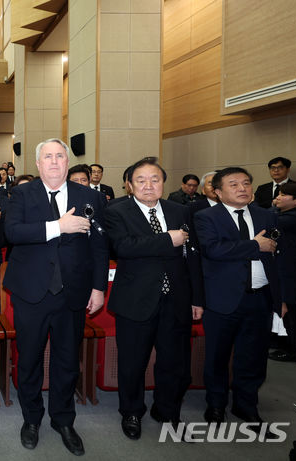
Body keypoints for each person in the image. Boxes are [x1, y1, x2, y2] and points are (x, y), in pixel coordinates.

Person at [3, 138, 108, 456]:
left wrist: (99, 287)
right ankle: (31, 418)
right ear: (37, 164)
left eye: (59, 156)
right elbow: (12, 232)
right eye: (47, 156)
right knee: (30, 359)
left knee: (66, 361)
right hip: (31, 292)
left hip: (72, 293)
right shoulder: (21, 193)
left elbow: (99, 245)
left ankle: (63, 420)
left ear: (67, 161)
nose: (53, 161)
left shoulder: (90, 196)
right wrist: (57, 226)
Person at [104, 157, 204, 440]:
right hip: (135, 300)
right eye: (141, 180)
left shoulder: (180, 210)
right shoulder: (116, 210)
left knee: (174, 362)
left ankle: (167, 410)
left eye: (155, 179)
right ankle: (132, 412)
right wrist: (166, 241)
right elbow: (124, 247)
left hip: (177, 299)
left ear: (163, 182)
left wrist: (197, 298)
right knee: (132, 362)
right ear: (129, 185)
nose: (148, 186)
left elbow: (191, 257)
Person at [194, 167, 281, 438]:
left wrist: (282, 298)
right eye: (234, 184)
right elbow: (214, 250)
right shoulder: (206, 217)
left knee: (253, 358)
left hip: (260, 298)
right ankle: (216, 404)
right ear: (218, 192)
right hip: (222, 300)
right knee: (218, 357)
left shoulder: (266, 215)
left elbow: (277, 251)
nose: (242, 188)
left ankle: (247, 406)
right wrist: (255, 245)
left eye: (246, 183)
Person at [268, 182, 296, 362]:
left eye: (283, 195)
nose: (278, 197)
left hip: (290, 268)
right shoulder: (284, 213)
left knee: (291, 308)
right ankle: (282, 344)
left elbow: (270, 221)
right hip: (283, 266)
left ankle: (293, 351)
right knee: (282, 305)